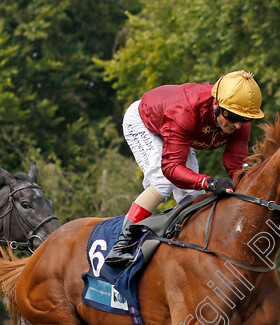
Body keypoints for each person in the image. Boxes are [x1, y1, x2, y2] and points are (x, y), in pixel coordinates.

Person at [104, 70, 265, 266]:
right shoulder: (185, 111)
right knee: (163, 182)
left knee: (192, 196)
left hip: (175, 130)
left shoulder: (238, 121)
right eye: (231, 116)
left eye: (245, 119)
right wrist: (209, 182)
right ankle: (123, 241)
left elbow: (236, 163)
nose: (238, 125)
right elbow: (171, 168)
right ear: (216, 104)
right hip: (144, 123)